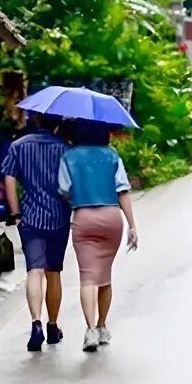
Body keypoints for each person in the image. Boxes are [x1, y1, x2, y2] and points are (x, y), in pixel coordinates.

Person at [57, 121, 138, 352]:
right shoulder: (112, 156)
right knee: (104, 276)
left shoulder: (68, 157)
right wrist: (132, 225)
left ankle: (90, 329)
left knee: (88, 277)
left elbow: (64, 189)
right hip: (112, 217)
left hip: (83, 217)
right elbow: (122, 190)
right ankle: (103, 326)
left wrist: (78, 198)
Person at [2, 113, 72, 352]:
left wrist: (15, 213)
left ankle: (36, 324)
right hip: (59, 217)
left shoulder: (18, 146)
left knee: (34, 270)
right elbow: (69, 187)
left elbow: (9, 180)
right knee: (54, 272)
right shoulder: (65, 149)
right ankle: (53, 327)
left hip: (30, 218)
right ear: (58, 123)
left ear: (37, 121)